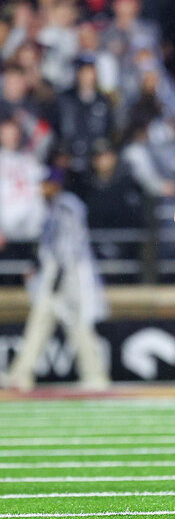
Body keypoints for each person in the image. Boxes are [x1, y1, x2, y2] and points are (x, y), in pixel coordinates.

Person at [3, 167, 110, 392]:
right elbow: (39, 238)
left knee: (79, 326)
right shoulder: (46, 205)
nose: (43, 187)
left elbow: (70, 245)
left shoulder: (67, 205)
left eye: (47, 183)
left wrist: (57, 275)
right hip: (54, 273)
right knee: (41, 324)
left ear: (56, 185)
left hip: (72, 273)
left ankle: (95, 376)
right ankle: (21, 375)